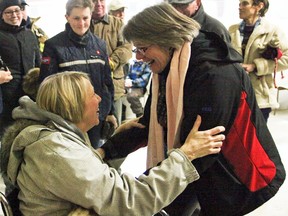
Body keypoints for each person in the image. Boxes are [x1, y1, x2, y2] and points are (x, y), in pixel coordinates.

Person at [100, 3, 286, 216]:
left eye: (143, 48)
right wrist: (105, 151)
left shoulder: (215, 75)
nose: (139, 58)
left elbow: (201, 150)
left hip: (240, 179)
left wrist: (137, 194)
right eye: (136, 49)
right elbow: (151, 122)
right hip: (205, 173)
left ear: (166, 40)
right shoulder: (168, 69)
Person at [0, 71, 225, 215]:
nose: (99, 98)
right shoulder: (57, 151)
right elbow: (129, 201)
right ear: (73, 106)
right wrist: (185, 157)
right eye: (92, 95)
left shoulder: (50, 139)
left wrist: (111, 146)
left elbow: (78, 173)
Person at [39, 0, 116, 149]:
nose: (81, 23)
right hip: (67, 120)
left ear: (91, 17)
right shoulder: (53, 45)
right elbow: (45, 85)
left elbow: (107, 82)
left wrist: (110, 111)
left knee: (94, 158)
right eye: (76, 18)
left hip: (95, 117)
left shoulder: (100, 45)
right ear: (67, 17)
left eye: (85, 18)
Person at [229, 0, 288, 122]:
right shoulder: (232, 30)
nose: (240, 7)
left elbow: (286, 58)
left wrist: (256, 66)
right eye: (239, 4)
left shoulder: (272, 31)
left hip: (260, 96)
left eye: (244, 3)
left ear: (259, 6)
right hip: (233, 95)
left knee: (257, 139)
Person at [0, 0, 41, 138]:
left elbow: (39, 63)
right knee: (6, 135)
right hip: (6, 98)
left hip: (30, 97)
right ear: (2, 15)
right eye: (9, 12)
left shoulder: (30, 35)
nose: (14, 15)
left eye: (17, 10)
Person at [91, 0, 132, 126]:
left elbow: (127, 47)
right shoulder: (84, 23)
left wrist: (111, 62)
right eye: (94, 0)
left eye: (101, 0)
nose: (98, 3)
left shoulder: (119, 24)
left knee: (113, 128)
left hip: (114, 86)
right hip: (89, 87)